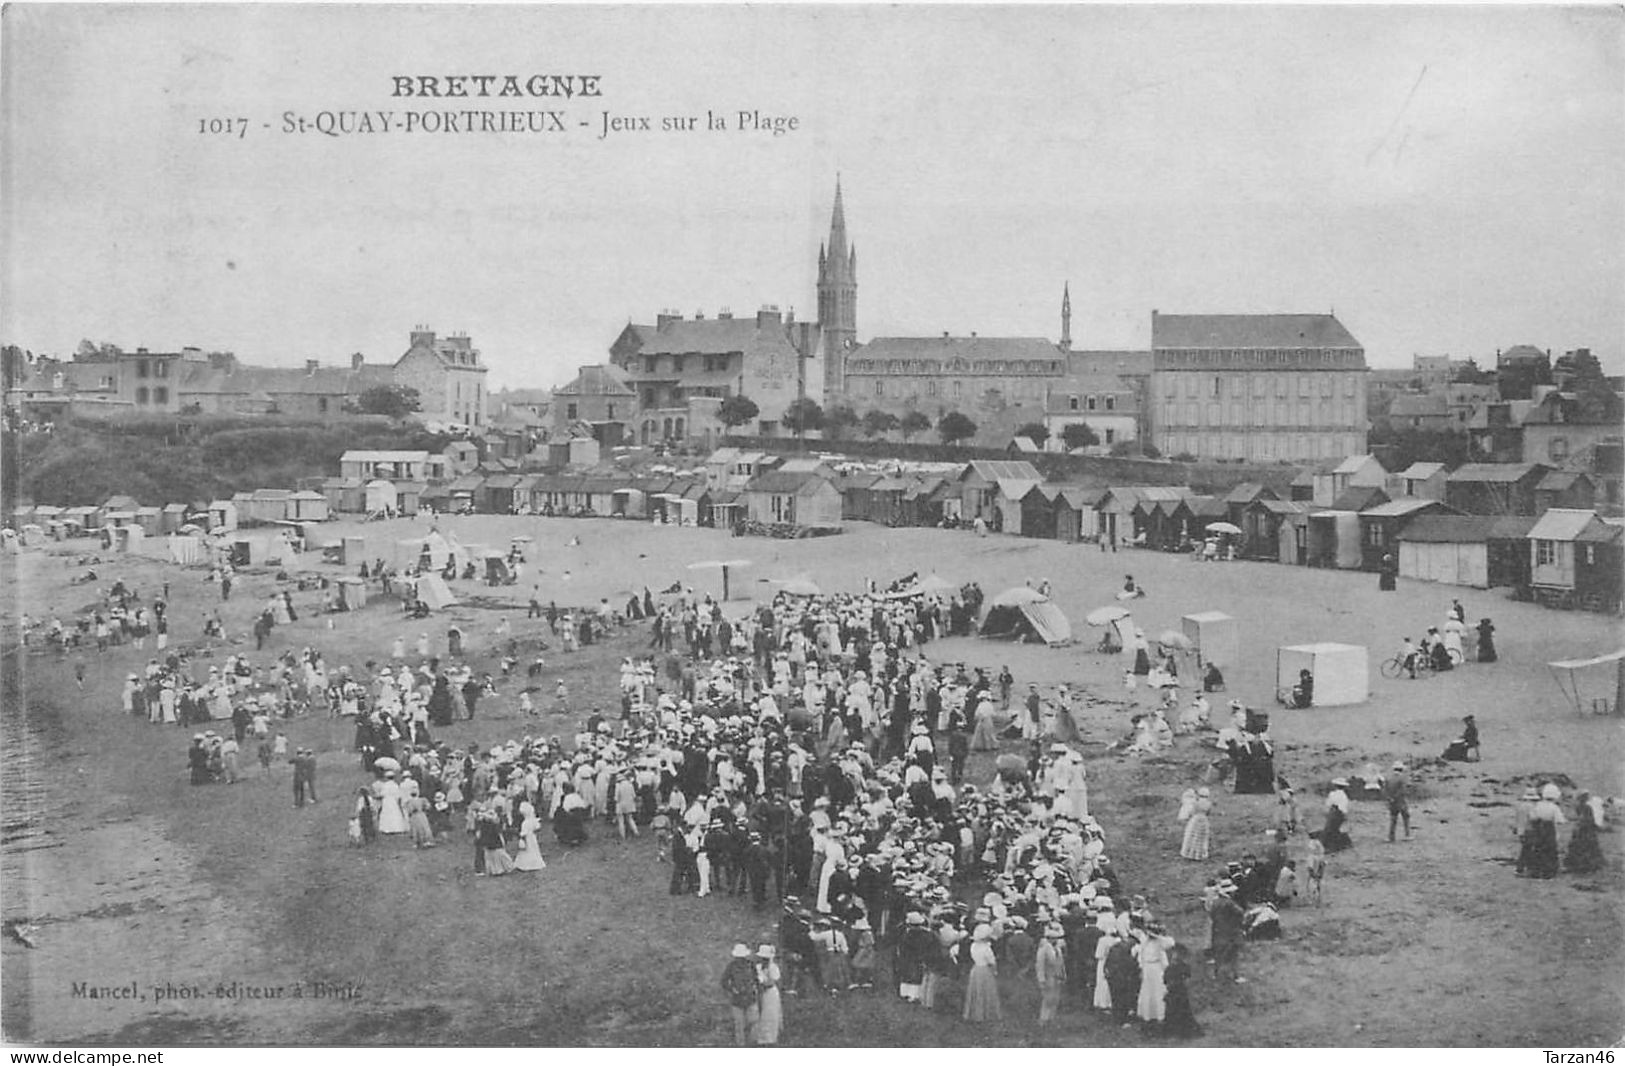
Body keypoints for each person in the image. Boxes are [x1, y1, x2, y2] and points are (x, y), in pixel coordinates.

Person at [721, 943, 761, 1046]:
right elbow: (724, 981)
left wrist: (755, 989)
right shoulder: (731, 966)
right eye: (739, 957)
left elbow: (757, 979)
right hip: (737, 999)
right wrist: (732, 989)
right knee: (739, 1025)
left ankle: (753, 1043)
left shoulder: (751, 965)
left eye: (742, 957)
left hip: (750, 998)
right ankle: (741, 1045)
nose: (741, 959)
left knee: (753, 1022)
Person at [1523, 783, 1565, 879]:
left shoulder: (1538, 805)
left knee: (1538, 849)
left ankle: (1535, 870)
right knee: (1550, 850)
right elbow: (1560, 820)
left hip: (1538, 828)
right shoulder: (1554, 807)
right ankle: (1549, 871)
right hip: (1549, 829)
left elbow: (1532, 817)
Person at [962, 923, 1001, 1023]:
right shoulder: (986, 948)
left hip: (976, 969)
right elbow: (992, 962)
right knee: (986, 992)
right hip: (985, 970)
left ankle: (975, 1013)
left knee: (976, 992)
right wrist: (995, 971)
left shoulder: (974, 946)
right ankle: (986, 1014)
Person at [1207, 880, 1245, 983]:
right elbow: (1240, 912)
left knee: (1218, 953)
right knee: (1234, 954)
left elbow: (1211, 915)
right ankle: (1236, 976)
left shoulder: (1215, 903)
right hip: (1231, 931)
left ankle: (1216, 974)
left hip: (1217, 931)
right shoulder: (1230, 903)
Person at [1162, 943, 1202, 1037]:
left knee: (1181, 1009)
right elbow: (1165, 980)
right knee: (1172, 1009)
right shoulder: (1170, 968)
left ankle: (1180, 1028)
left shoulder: (1181, 967)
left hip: (1179, 991)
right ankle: (1173, 1028)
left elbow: (1187, 978)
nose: (1174, 956)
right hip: (1173, 991)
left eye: (1176, 954)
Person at [1035, 921, 1066, 1026]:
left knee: (1055, 998)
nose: (1056, 940)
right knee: (1047, 999)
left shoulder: (1057, 949)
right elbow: (1040, 965)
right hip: (1048, 976)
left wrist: (1063, 975)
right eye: (1054, 938)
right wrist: (1041, 979)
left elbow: (1061, 963)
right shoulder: (1044, 949)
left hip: (1057, 977)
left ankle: (1052, 1018)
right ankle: (1043, 1019)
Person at [1566, 791, 1604, 874]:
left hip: (1581, 829)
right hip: (1587, 830)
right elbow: (1590, 819)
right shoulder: (1587, 807)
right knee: (1588, 847)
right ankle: (1588, 866)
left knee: (1578, 847)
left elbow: (1576, 817)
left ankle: (1576, 865)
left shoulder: (1578, 807)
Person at [755, 945, 783, 1045]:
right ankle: (761, 1037)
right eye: (762, 958)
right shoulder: (757, 967)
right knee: (761, 1015)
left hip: (770, 993)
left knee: (771, 1014)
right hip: (761, 992)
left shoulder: (773, 967)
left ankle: (771, 1038)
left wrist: (764, 985)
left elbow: (772, 981)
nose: (764, 960)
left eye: (766, 958)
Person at [1180, 787, 1213, 861]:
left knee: (1192, 836)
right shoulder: (1209, 803)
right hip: (1204, 820)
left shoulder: (1196, 803)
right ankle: (1200, 854)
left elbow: (1192, 812)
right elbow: (1208, 813)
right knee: (1202, 837)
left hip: (1196, 819)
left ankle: (1189, 853)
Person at [1321, 778, 1353, 852]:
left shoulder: (1332, 794)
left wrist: (1327, 812)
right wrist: (1345, 815)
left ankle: (1331, 846)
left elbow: (1328, 804)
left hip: (1333, 812)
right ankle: (1338, 845)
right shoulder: (1344, 796)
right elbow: (1343, 807)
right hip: (1339, 813)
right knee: (1334, 829)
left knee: (1330, 829)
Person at [1384, 760, 1412, 842]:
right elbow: (1403, 790)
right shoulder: (1403, 778)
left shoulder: (1388, 778)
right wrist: (1396, 797)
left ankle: (1391, 836)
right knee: (1406, 817)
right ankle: (1407, 835)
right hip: (1401, 801)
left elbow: (1384, 790)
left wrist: (1389, 798)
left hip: (1392, 802)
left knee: (1393, 819)